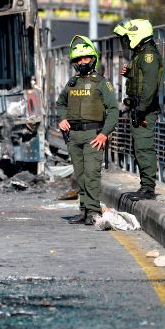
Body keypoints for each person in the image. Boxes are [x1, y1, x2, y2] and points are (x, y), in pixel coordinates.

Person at [56, 35, 118, 225]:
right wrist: (62, 118)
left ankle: (93, 211)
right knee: (81, 176)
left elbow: (113, 110)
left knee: (92, 175)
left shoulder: (102, 83)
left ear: (93, 59)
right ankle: (84, 211)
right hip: (73, 136)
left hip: (93, 135)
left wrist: (103, 134)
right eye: (79, 59)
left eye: (86, 58)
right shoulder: (71, 83)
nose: (83, 62)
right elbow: (60, 103)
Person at [113, 19, 164, 201]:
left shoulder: (148, 55)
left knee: (144, 147)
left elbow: (149, 87)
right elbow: (142, 79)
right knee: (138, 147)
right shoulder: (140, 54)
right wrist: (130, 74)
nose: (126, 41)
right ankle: (145, 186)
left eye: (128, 37)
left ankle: (148, 189)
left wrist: (141, 110)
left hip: (145, 109)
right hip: (138, 107)